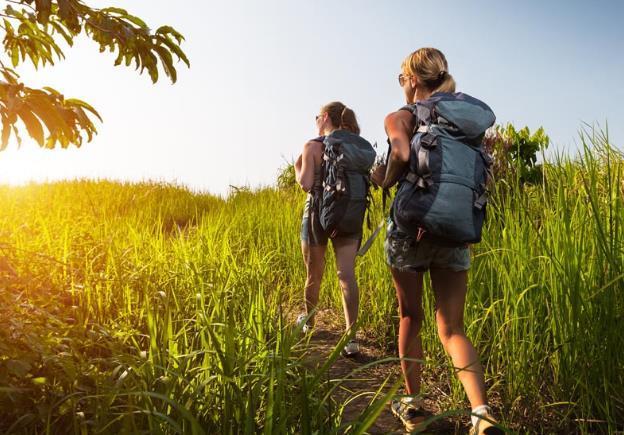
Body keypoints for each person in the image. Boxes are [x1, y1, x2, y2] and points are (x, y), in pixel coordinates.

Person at [371, 48, 503, 434]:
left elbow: (399, 152)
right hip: (456, 230)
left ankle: (414, 408)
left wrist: (385, 178)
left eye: (401, 78)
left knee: (411, 315)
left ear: (413, 79)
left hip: (411, 230)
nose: (401, 86)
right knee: (453, 328)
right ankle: (481, 413)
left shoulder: (402, 116)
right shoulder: (466, 123)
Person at [295, 101, 373, 357]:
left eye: (317, 116)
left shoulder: (313, 146)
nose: (316, 120)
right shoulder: (353, 147)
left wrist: (298, 168)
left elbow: (306, 184)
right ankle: (351, 338)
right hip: (348, 213)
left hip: (317, 213)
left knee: (314, 273)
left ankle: (309, 322)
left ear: (325, 117)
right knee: (346, 274)